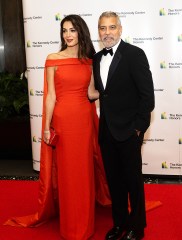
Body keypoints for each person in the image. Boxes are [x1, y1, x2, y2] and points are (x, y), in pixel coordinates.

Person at [4, 14, 111, 240]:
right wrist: (45, 127)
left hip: (83, 120)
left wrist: (116, 90)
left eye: (72, 30)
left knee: (83, 172)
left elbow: (92, 93)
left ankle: (84, 224)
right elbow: (50, 96)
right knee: (68, 173)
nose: (68, 35)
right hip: (62, 121)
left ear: (81, 32)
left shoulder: (90, 60)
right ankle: (70, 226)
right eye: (64, 31)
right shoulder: (53, 58)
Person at [93, 11, 155, 240]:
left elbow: (147, 97)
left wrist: (137, 129)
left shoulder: (135, 54)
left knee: (133, 183)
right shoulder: (97, 58)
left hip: (129, 131)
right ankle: (119, 224)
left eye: (111, 27)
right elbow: (101, 93)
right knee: (115, 183)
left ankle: (137, 228)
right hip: (107, 131)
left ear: (120, 29)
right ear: (98, 31)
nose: (106, 32)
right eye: (102, 28)